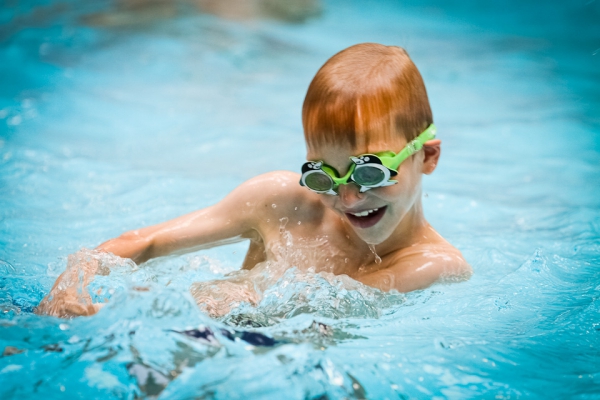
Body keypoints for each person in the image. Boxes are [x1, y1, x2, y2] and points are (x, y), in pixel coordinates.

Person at [37, 43, 472, 318]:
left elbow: (305, 314)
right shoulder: (282, 201)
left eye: (370, 171)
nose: (348, 196)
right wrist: (72, 282)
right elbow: (142, 243)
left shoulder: (434, 265)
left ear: (427, 156)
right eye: (323, 175)